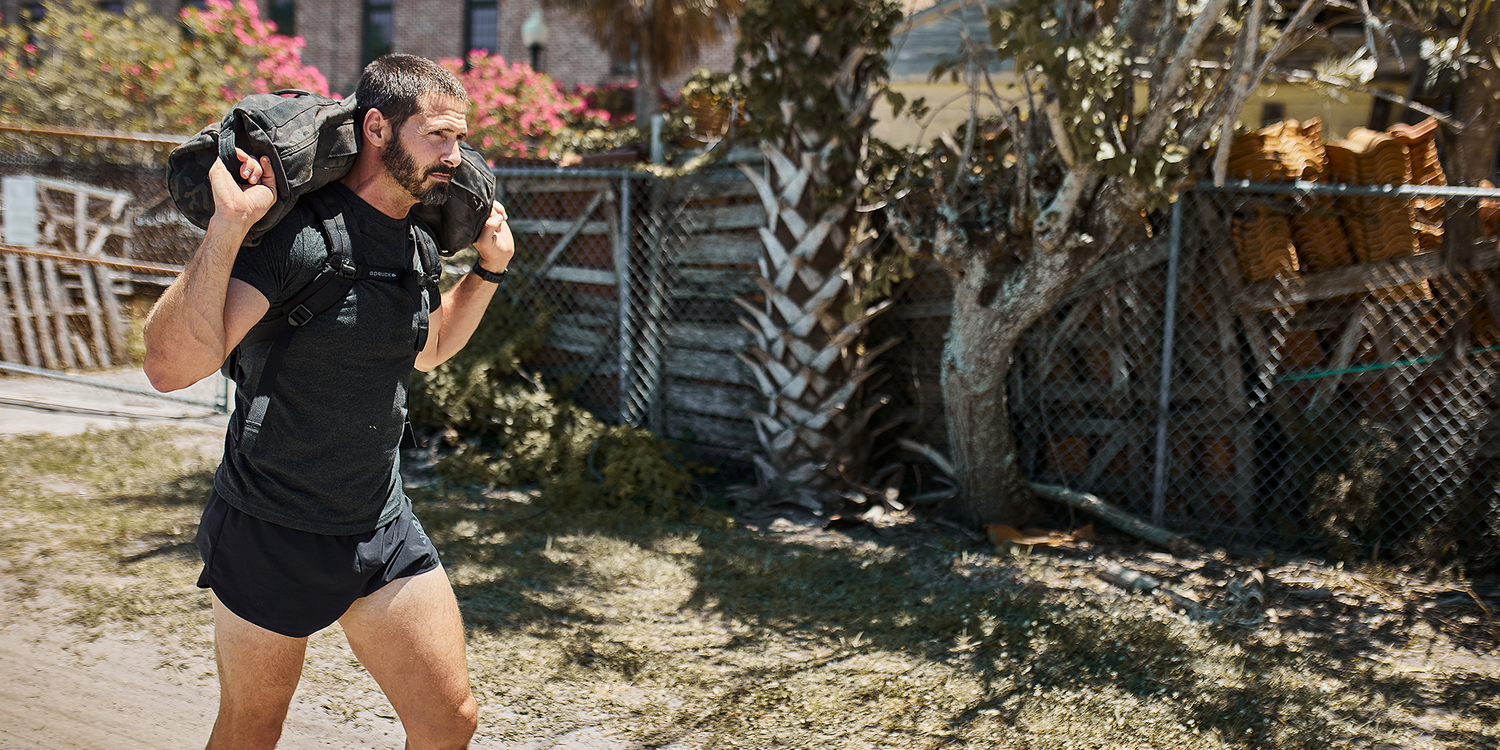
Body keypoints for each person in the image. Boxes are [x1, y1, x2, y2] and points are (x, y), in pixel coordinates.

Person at [143, 54, 512, 750]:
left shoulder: (414, 245)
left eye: (460, 139)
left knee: (448, 720)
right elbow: (168, 367)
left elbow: (426, 347)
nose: (454, 157)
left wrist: (489, 270)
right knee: (253, 728)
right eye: (438, 136)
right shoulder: (297, 237)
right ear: (377, 126)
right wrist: (228, 226)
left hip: (377, 523)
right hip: (271, 528)